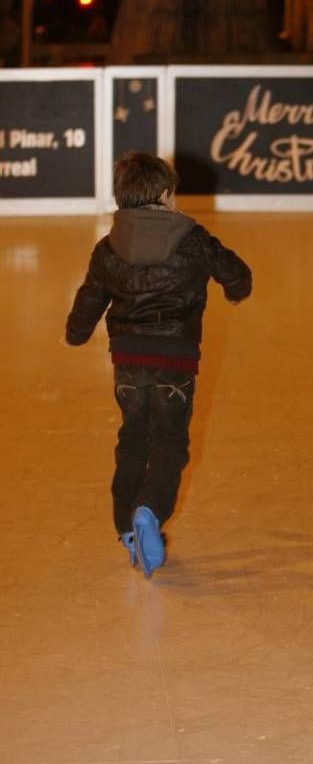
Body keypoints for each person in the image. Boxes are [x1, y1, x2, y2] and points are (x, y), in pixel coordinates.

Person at [65, 152, 252, 577]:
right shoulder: (193, 239)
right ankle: (149, 509)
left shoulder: (107, 246)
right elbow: (238, 273)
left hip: (128, 360)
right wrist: (236, 290)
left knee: (132, 439)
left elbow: (90, 297)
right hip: (176, 361)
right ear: (167, 195)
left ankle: (125, 527)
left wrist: (75, 334)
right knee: (169, 443)